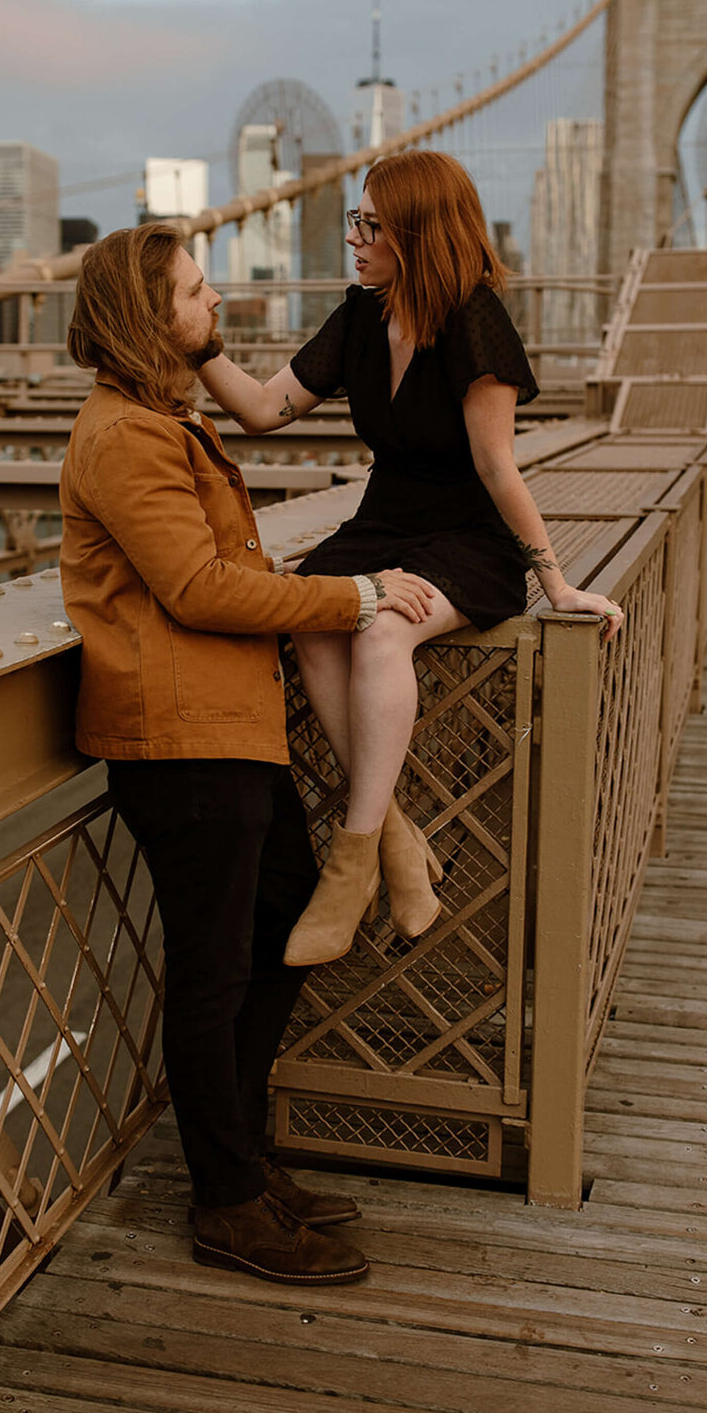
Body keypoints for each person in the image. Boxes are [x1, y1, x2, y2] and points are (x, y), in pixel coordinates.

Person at [59, 221, 436, 1286]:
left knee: (277, 925)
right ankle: (227, 1199)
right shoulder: (128, 438)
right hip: (178, 740)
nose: (212, 296)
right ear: (148, 316)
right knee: (215, 972)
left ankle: (244, 1163)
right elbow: (199, 589)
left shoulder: (157, 421)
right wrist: (354, 593)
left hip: (227, 728)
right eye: (192, 289)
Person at [196, 149, 624, 969]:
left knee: (382, 631)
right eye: (353, 222)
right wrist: (192, 343)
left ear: (417, 236)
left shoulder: (475, 321)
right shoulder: (362, 314)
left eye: (370, 226)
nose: (352, 239)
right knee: (314, 617)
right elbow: (259, 408)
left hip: (466, 537)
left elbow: (498, 468)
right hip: (383, 521)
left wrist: (556, 581)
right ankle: (394, 843)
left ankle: (349, 868)